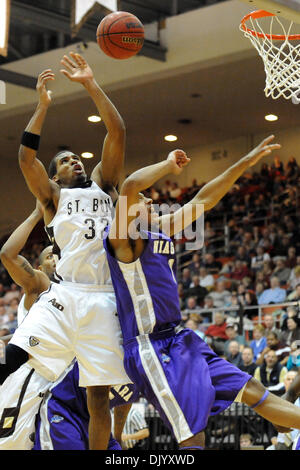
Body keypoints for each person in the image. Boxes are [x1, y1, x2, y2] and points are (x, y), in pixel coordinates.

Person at [103, 139, 300, 449]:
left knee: (252, 390)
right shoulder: (122, 244)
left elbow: (205, 199)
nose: (150, 202)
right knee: (192, 436)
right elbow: (128, 186)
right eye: (143, 200)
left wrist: (244, 162)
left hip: (181, 339)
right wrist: (168, 166)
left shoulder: (159, 231)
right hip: (152, 348)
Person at [0, 52, 130, 450]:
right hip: (65, 294)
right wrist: (41, 107)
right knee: (14, 357)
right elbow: (25, 158)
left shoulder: (103, 184)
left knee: (98, 398)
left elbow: (117, 131)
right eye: (65, 161)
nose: (75, 161)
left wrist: (91, 84)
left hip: (104, 297)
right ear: (55, 175)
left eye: (77, 158)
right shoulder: (52, 197)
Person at [0, 203, 56, 449]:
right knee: (13, 444)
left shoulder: (77, 290)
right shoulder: (41, 283)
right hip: (31, 375)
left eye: (59, 253)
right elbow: (8, 255)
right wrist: (37, 212)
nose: (56, 258)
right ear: (40, 267)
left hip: (60, 379)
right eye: (49, 255)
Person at [33, 361, 138, 450]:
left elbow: (125, 401)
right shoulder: (115, 347)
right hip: (64, 408)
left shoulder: (141, 374)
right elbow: (99, 400)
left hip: (95, 420)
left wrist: (118, 437)